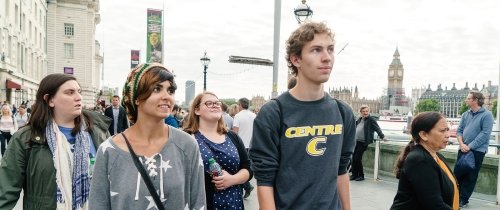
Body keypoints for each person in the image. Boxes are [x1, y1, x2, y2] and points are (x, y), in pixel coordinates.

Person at [249, 22, 356, 210]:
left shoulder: (342, 112)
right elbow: (265, 180)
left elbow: (341, 171)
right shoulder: (274, 113)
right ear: (296, 59)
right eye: (316, 50)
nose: (327, 58)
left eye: (330, 50)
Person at [89, 63, 205, 210]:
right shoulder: (108, 151)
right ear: (137, 98)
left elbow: (198, 203)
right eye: (156, 89)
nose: (166, 96)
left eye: (170, 90)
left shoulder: (187, 144)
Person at [0, 73, 111, 209]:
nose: (78, 97)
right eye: (70, 92)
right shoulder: (25, 139)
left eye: (79, 92)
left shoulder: (98, 132)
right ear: (49, 100)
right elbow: (5, 193)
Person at [183, 91, 252, 210]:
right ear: (197, 110)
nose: (215, 105)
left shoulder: (232, 137)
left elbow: (248, 168)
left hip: (233, 203)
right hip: (202, 204)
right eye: (209, 103)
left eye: (217, 103)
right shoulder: (187, 137)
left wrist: (232, 179)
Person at [391, 112, 458, 210]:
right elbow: (434, 205)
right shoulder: (419, 160)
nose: (448, 135)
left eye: (448, 130)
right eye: (443, 131)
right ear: (423, 135)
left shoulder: (437, 156)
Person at [454, 91, 494, 208]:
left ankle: (463, 200)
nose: (466, 100)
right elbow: (459, 130)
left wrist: (469, 146)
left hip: (477, 151)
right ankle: (455, 197)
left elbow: (485, 134)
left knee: (471, 176)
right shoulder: (465, 114)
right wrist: (462, 144)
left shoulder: (487, 115)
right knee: (458, 175)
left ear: (475, 100)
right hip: (463, 148)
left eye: (468, 98)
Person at [350, 105, 385, 181]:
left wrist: (382, 136)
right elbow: (354, 128)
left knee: (357, 158)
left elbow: (377, 128)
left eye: (367, 111)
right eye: (364, 111)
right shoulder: (359, 119)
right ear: (361, 112)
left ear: (369, 112)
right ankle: (354, 174)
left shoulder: (371, 120)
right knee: (353, 158)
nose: (365, 113)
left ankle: (361, 175)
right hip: (356, 141)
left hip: (363, 142)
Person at [232, 97, 256, 198]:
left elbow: (235, 133)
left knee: (239, 169)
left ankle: (247, 186)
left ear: (240, 105)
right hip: (252, 145)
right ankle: (247, 186)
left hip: (241, 146)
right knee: (247, 169)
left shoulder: (238, 116)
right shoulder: (254, 115)